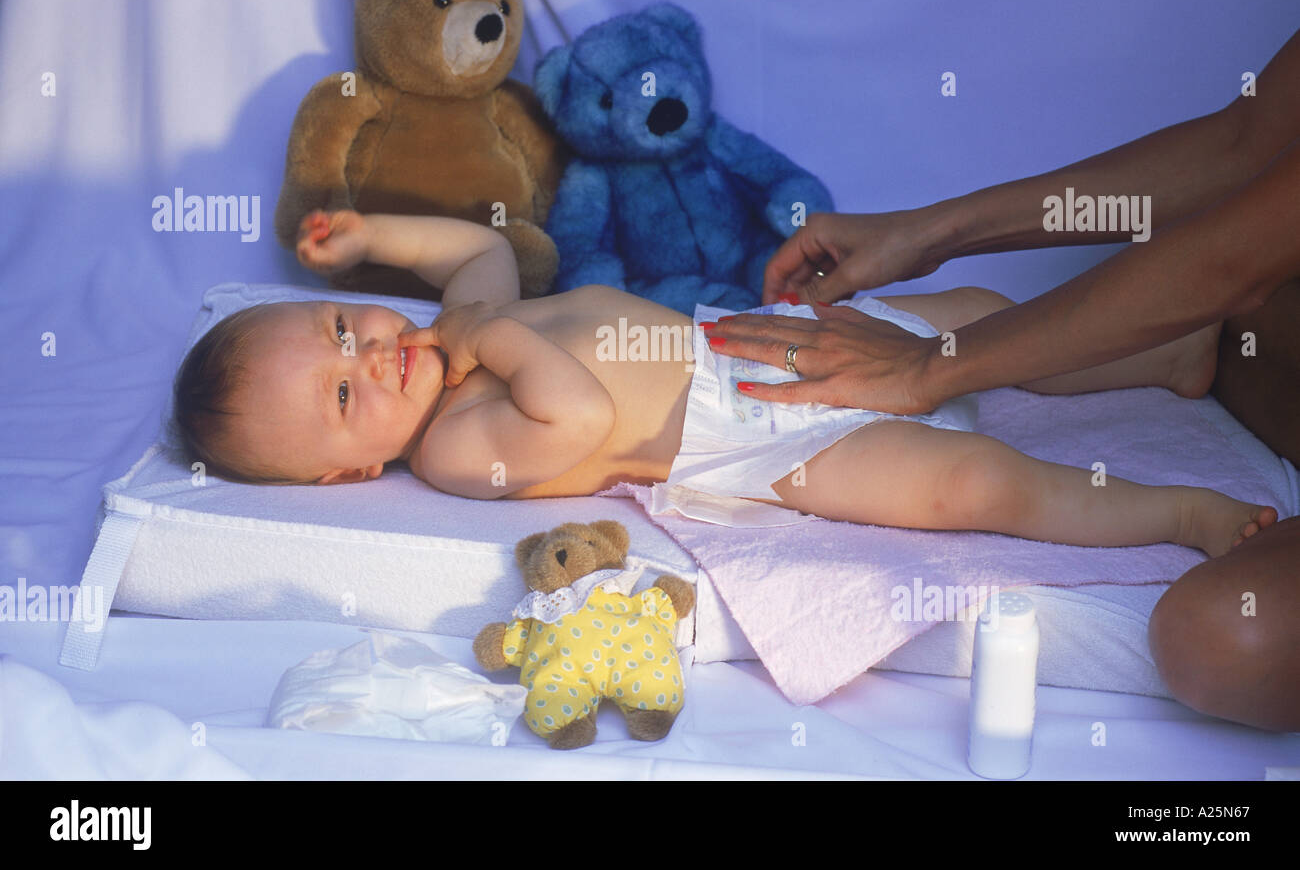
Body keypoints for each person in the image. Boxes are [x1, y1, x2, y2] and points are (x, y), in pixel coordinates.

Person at [704, 28, 1300, 731]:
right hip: (1244, 339)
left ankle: (1183, 484)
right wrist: (929, 234)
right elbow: (1243, 146)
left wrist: (924, 368)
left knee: (1224, 639)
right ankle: (1179, 351)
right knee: (955, 327)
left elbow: (1236, 262)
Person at [173, 210, 1273, 573]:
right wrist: (495, 336)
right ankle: (1176, 511)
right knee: (968, 482)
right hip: (759, 444)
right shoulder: (456, 441)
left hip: (771, 342)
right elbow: (583, 418)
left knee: (982, 319)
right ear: (353, 468)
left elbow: (476, 247)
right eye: (343, 394)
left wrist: (374, 235)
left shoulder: (458, 328)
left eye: (341, 329)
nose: (371, 353)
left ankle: (1156, 356)